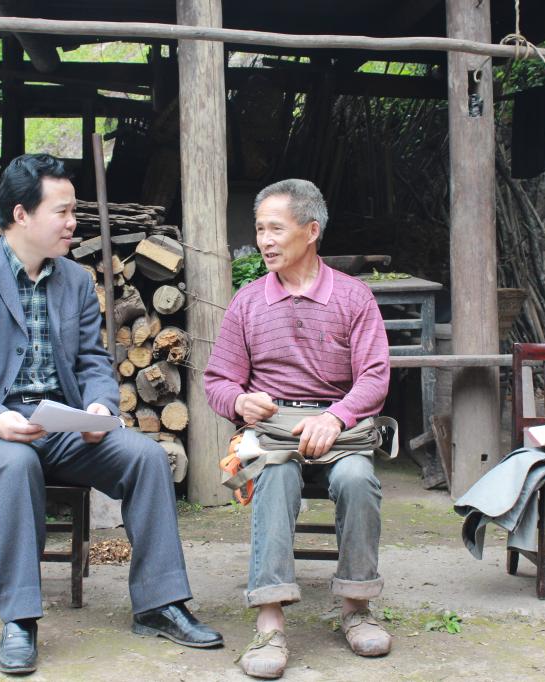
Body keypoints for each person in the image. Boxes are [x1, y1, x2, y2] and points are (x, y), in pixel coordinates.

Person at [0, 153, 223, 675]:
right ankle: (19, 620)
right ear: (21, 215)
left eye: (73, 211)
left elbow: (92, 360)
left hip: (64, 423)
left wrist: (99, 406)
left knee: (145, 458)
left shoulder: (75, 280)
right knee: (15, 465)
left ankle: (159, 605)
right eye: (62, 211)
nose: (73, 222)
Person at [205, 179, 391, 679]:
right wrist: (239, 401)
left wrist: (335, 417)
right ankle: (269, 619)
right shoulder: (247, 302)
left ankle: (356, 607)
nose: (264, 241)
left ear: (311, 231)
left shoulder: (353, 297)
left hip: (338, 427)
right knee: (275, 477)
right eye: (259, 230)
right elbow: (218, 380)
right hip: (273, 432)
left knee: (357, 479)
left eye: (275, 229)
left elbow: (375, 377)